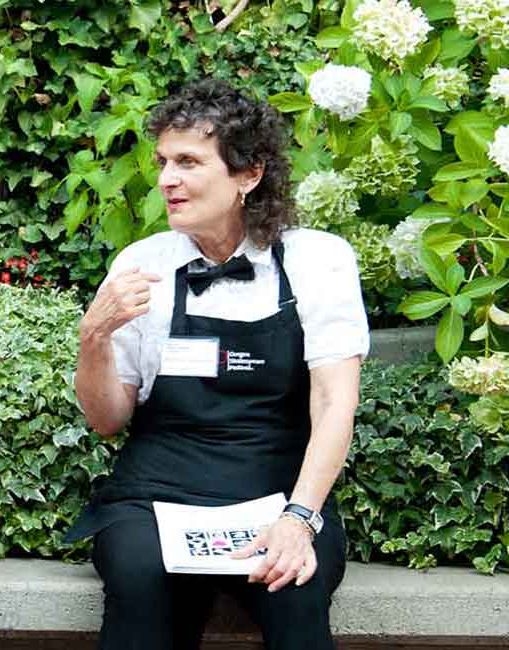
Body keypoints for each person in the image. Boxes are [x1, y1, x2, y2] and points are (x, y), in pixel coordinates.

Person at [69, 78, 366, 650]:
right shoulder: (143, 263)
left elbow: (334, 401)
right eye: (162, 162)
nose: (165, 180)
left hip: (279, 495)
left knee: (295, 586)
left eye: (187, 162)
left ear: (248, 175)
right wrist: (94, 337)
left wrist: (299, 519)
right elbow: (107, 419)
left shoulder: (318, 259)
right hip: (154, 500)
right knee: (139, 577)